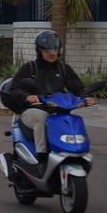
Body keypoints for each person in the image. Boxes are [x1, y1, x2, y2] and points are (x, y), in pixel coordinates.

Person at [9, 30, 94, 175]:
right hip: (32, 110)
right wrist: (26, 97)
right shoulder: (30, 68)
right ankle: (42, 160)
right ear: (39, 50)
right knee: (42, 118)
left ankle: (75, 151)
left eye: (55, 49)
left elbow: (77, 87)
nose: (52, 53)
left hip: (57, 110)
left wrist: (85, 97)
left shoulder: (63, 69)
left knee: (72, 119)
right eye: (47, 50)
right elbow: (14, 88)